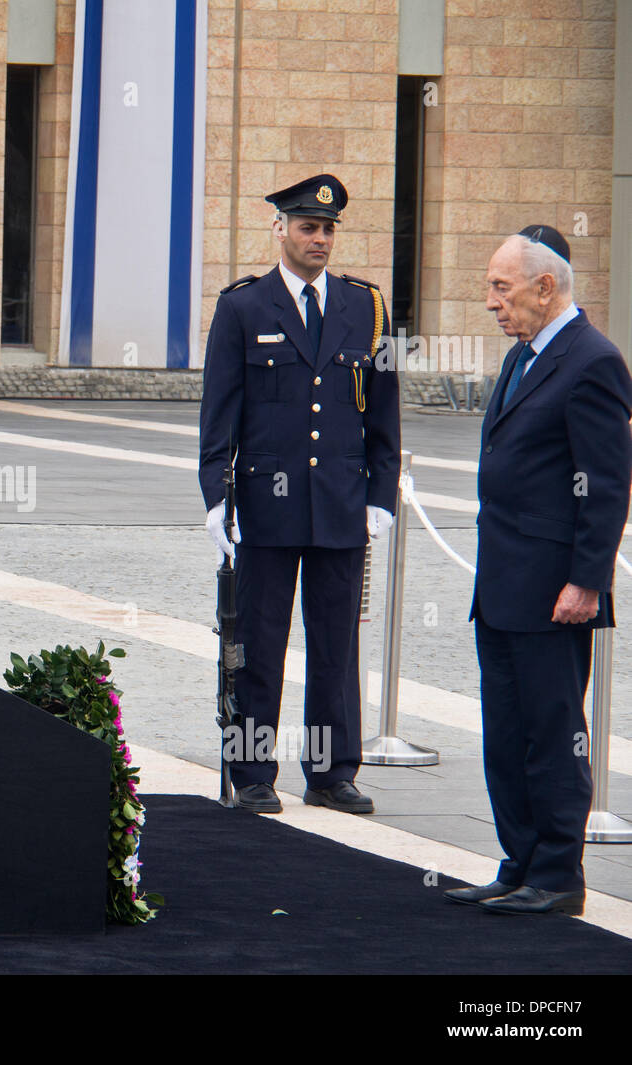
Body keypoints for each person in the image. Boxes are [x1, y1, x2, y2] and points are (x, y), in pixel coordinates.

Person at [198, 174, 401, 815]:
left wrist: (383, 495)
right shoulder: (243, 307)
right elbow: (219, 413)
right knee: (259, 639)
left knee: (336, 644)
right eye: (308, 227)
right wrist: (215, 497)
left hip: (341, 500)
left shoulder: (365, 308)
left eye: (328, 228)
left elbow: (385, 411)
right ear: (279, 228)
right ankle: (253, 770)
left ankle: (331, 772)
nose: (320, 238)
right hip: (266, 503)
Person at [445, 226, 632, 916]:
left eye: (501, 286)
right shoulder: (526, 355)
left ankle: (557, 873)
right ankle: (519, 859)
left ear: (544, 287)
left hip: (556, 592)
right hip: (502, 586)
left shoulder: (592, 361)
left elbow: (607, 482)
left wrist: (587, 579)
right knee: (506, 732)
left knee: (553, 732)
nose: (491, 301)